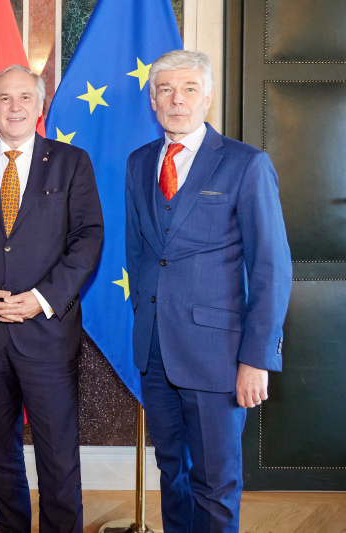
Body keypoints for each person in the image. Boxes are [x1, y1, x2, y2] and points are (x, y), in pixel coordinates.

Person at [125, 50, 292, 532]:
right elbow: (139, 253)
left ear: (208, 97)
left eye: (189, 89)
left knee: (216, 483)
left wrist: (256, 358)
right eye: (166, 90)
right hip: (155, 354)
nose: (177, 100)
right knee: (171, 472)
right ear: (153, 100)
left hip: (218, 356)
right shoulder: (139, 164)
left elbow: (271, 268)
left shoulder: (246, 164)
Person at [0, 64, 104, 533]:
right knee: (0, 452)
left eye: (24, 98)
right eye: (4, 99)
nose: (14, 107)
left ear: (40, 106)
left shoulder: (70, 161)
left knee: (57, 455)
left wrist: (42, 298)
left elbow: (88, 237)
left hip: (47, 333)